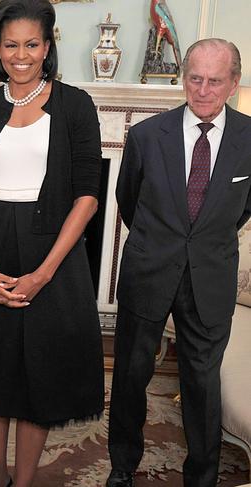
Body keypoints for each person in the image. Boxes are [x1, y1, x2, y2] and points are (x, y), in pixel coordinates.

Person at [0, 0, 105, 486]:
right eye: (11, 44)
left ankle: (23, 481)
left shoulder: (75, 104)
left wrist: (44, 273)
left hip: (53, 258)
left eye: (32, 44)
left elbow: (89, 195)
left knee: (39, 381)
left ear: (48, 47)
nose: (21, 55)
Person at [107, 38, 251, 487]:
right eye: (194, 78)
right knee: (131, 374)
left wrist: (201, 241)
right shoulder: (148, 135)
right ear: (183, 77)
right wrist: (161, 242)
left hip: (209, 279)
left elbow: (243, 209)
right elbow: (128, 198)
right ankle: (122, 467)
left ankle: (201, 477)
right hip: (148, 272)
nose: (203, 90)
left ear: (234, 83)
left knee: (202, 382)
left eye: (214, 81)